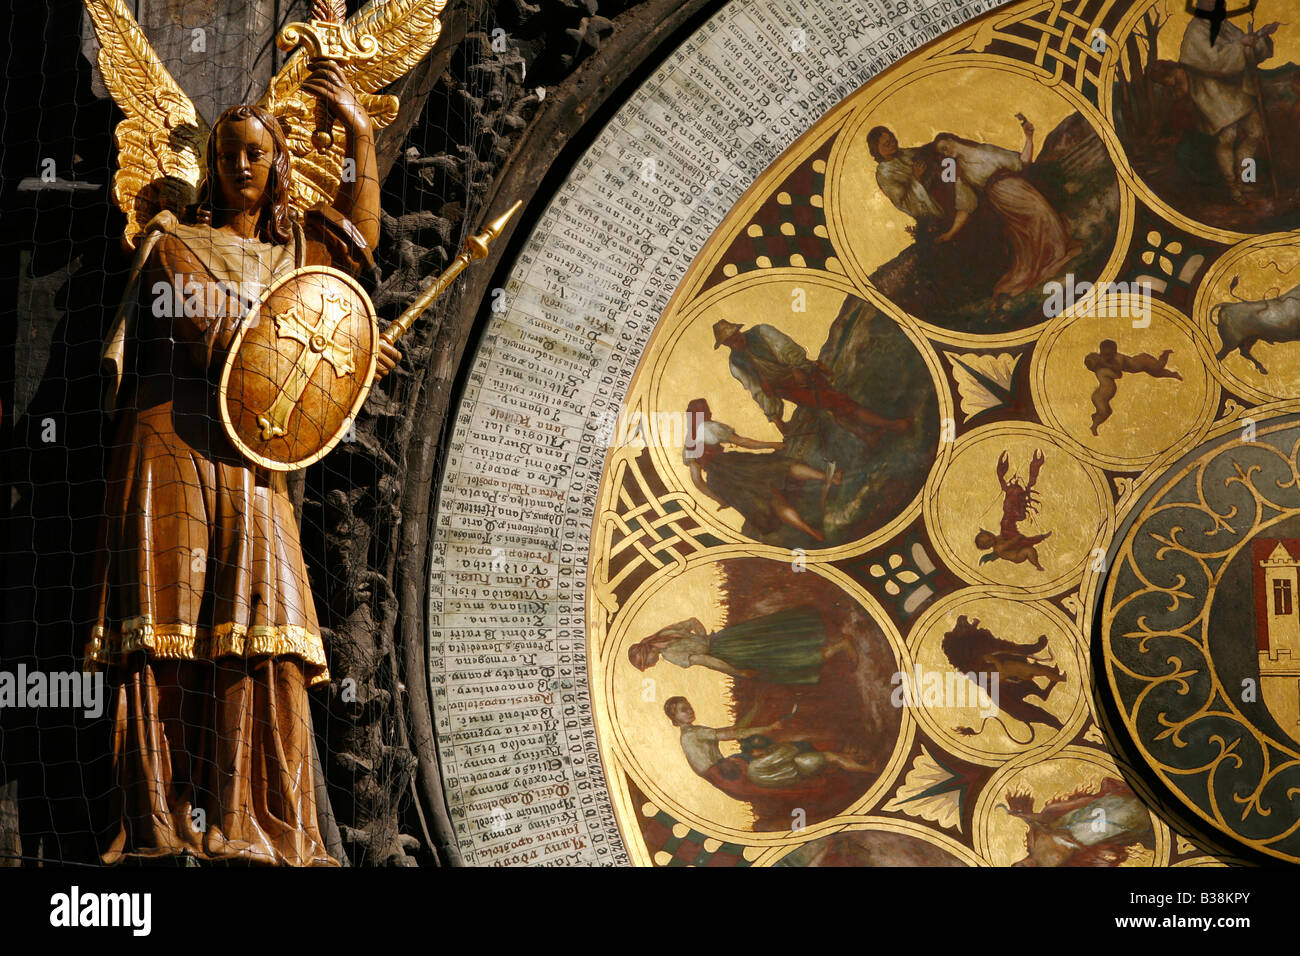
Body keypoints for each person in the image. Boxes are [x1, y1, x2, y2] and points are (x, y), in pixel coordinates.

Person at [85, 60, 401, 865]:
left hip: (253, 463)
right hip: (172, 444)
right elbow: (228, 342)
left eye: (257, 151)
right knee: (166, 630)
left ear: (279, 163)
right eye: (229, 152)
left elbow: (355, 246)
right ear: (212, 165)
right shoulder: (174, 245)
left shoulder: (297, 251)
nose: (241, 164)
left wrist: (362, 137)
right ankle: (162, 823)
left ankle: (257, 824)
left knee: (268, 629)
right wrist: (336, 350)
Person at [932, 120, 1081, 304]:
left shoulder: (986, 149)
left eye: (945, 147)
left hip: (1021, 188)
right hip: (1002, 199)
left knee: (1045, 214)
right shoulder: (962, 172)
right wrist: (950, 234)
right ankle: (1050, 261)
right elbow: (965, 205)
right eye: (943, 152)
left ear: (953, 139)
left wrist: (1029, 137)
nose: (947, 152)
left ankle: (1056, 255)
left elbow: (1022, 162)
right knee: (1028, 229)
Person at [712, 319, 910, 445]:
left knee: (835, 402)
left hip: (801, 373)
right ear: (726, 344)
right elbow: (757, 390)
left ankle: (873, 433)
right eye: (729, 341)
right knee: (835, 403)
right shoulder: (736, 364)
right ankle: (887, 426)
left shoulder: (762, 332)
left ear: (738, 331)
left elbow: (787, 348)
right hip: (786, 389)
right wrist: (775, 417)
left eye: (734, 335)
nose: (734, 341)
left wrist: (798, 368)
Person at [683, 398, 838, 540]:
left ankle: (812, 532)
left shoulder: (688, 444)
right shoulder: (710, 427)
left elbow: (697, 481)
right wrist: (772, 444)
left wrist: (718, 498)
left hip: (718, 482)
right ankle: (829, 477)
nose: (710, 412)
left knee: (772, 501)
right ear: (704, 413)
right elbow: (744, 442)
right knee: (780, 467)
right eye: (707, 410)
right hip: (732, 464)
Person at [1178, 3, 1279, 204]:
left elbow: (1247, 51)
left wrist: (1260, 36)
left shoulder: (1224, 25)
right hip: (1212, 95)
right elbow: (1214, 60)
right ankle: (1233, 187)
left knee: (1256, 132)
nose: (1222, 5)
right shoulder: (1195, 30)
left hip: (1237, 91)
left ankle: (1246, 179)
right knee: (1228, 137)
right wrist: (1243, 43)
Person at [628, 606, 853, 684]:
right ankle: (833, 638)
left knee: (780, 658)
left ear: (646, 654)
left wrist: (737, 672)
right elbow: (694, 622)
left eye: (647, 664)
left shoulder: (670, 655)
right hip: (726, 638)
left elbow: (706, 660)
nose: (652, 666)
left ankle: (840, 646)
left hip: (728, 652)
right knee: (776, 637)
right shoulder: (665, 633)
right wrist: (706, 637)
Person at [1084, 340, 1182, 435]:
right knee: (1157, 373)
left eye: (1109, 355)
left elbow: (1118, 372)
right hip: (1141, 367)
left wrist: (1105, 364)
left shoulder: (1118, 358)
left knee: (1158, 367)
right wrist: (1103, 363)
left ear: (1115, 352)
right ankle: (1174, 374)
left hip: (1143, 362)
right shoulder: (1105, 365)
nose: (1106, 358)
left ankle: (1165, 353)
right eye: (1104, 355)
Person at [867, 126, 947, 225]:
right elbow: (904, 202)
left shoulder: (903, 153)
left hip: (938, 185)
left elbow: (922, 152)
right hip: (931, 204)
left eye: (893, 139)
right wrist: (916, 177)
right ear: (877, 150)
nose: (893, 144)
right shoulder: (884, 174)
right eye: (887, 144)